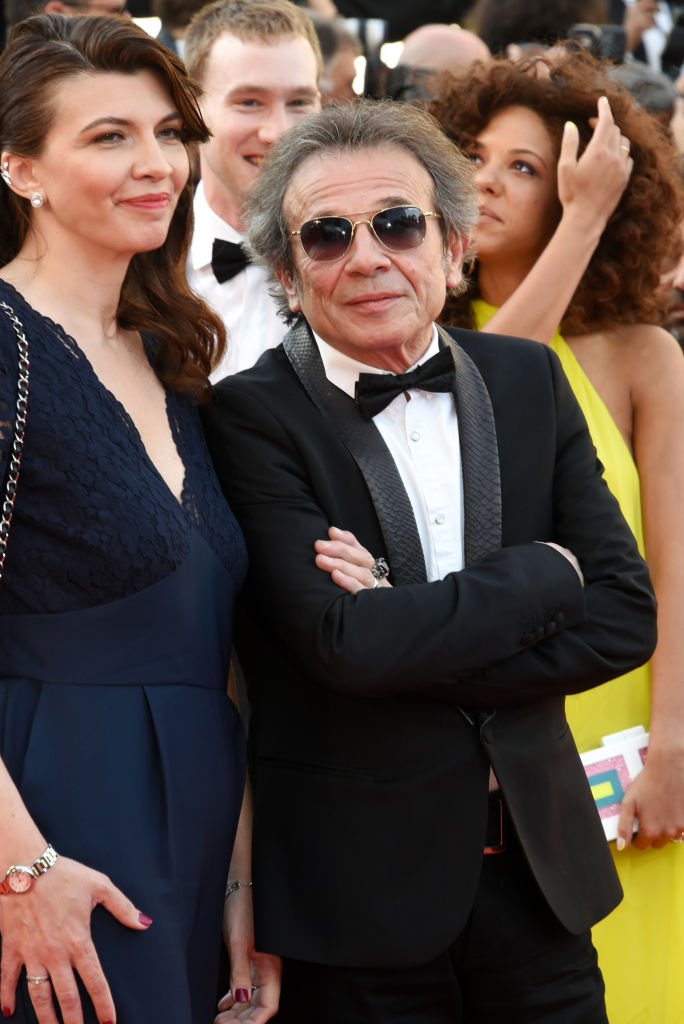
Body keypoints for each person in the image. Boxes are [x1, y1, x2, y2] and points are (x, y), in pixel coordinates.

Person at [203, 99, 657, 1024]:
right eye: (327, 236)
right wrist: (543, 577)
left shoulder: (530, 381)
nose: (366, 256)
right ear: (289, 276)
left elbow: (623, 615)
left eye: (398, 224)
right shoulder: (247, 417)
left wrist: (404, 617)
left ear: (452, 247)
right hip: (356, 905)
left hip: (542, 884)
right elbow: (344, 649)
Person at [0, 13, 259, 1023]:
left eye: (167, 132)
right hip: (57, 828)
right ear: (21, 169)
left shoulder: (168, 356)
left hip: (195, 832)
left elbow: (222, 659)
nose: (156, 164)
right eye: (109, 136)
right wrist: (22, 872)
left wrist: (240, 892)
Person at [434, 50, 684, 1022]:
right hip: (488, 743)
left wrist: (673, 742)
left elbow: (676, 565)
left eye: (526, 167)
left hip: (628, 731)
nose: (485, 181)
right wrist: (576, 219)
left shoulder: (641, 355)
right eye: (473, 157)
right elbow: (479, 399)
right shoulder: (412, 342)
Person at [184, 0, 322, 379]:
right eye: (249, 102)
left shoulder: (359, 254)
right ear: (192, 110)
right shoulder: (138, 263)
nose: (277, 132)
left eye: (299, 102)